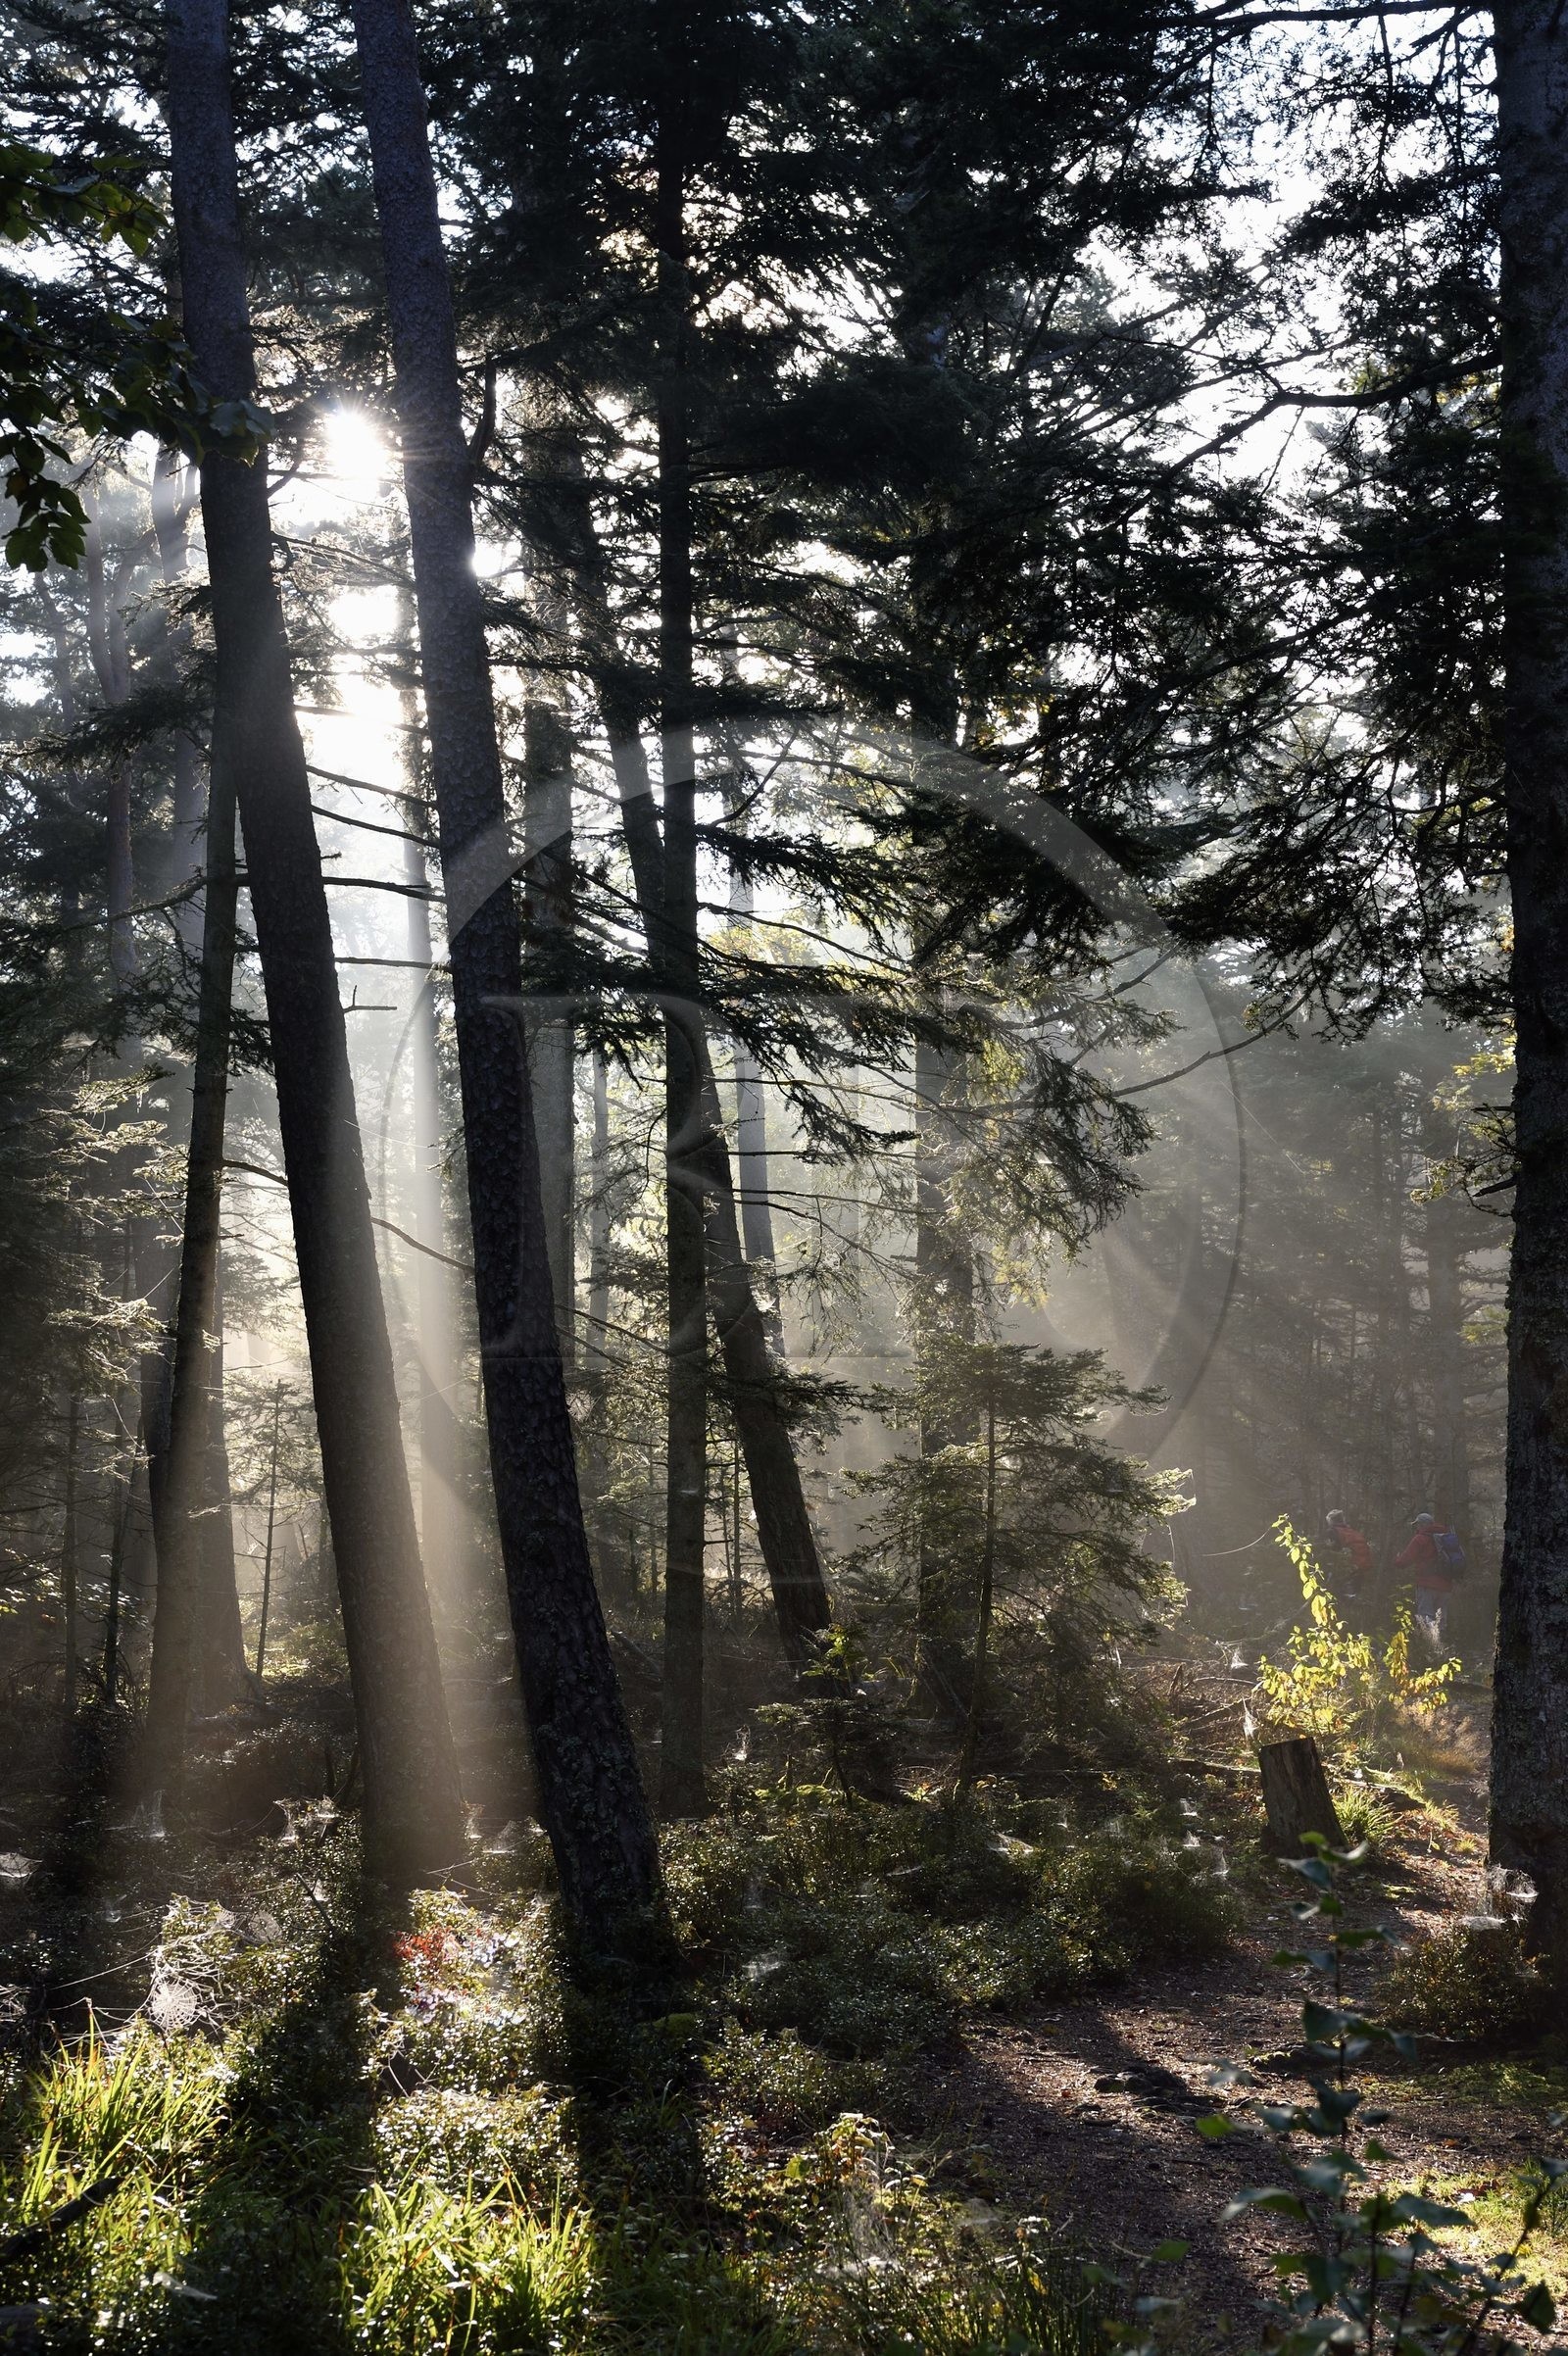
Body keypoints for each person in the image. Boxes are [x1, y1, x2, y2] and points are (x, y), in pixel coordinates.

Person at [1394, 1511, 1459, 1650]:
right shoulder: (1445, 1537)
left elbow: (1405, 1560)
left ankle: (1430, 1650)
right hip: (1446, 1586)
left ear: (1422, 1525)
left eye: (1417, 1525)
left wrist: (1396, 1560)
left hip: (1427, 1585)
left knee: (1426, 1619)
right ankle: (1443, 1650)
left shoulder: (1420, 1539)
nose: (1416, 1528)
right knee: (1441, 1620)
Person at [1323, 1509, 1374, 1603]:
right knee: (1354, 1595)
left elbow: (1334, 1550)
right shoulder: (1352, 1532)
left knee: (1338, 1596)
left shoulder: (1332, 1531)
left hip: (1346, 1567)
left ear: (1331, 1521)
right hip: (1360, 1565)